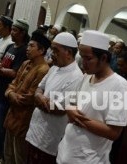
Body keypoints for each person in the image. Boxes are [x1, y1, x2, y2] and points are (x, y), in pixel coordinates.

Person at [56, 30, 127, 164]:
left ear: (103, 58)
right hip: (65, 155)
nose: (83, 63)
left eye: (88, 58)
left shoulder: (119, 85)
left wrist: (77, 118)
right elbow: (72, 104)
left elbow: (113, 132)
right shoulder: (86, 77)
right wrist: (69, 109)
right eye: (82, 57)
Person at [25, 32, 83, 163]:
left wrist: (39, 99)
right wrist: (40, 97)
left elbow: (60, 109)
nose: (51, 53)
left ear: (68, 52)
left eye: (56, 50)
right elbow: (39, 88)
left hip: (49, 140)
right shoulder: (54, 69)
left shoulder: (76, 77)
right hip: (34, 131)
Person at [3, 31, 51, 164]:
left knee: (19, 156)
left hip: (25, 119)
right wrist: (11, 93)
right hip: (12, 114)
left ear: (41, 50)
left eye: (31, 46)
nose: (28, 49)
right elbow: (12, 84)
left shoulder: (43, 70)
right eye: (28, 46)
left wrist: (11, 94)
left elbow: (29, 98)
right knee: (8, 154)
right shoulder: (25, 64)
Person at [0, 19, 29, 158]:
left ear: (23, 33)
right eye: (12, 29)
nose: (12, 32)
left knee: (0, 125)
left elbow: (14, 72)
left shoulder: (23, 50)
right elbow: (2, 63)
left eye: (15, 30)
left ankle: (0, 151)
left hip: (6, 93)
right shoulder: (10, 46)